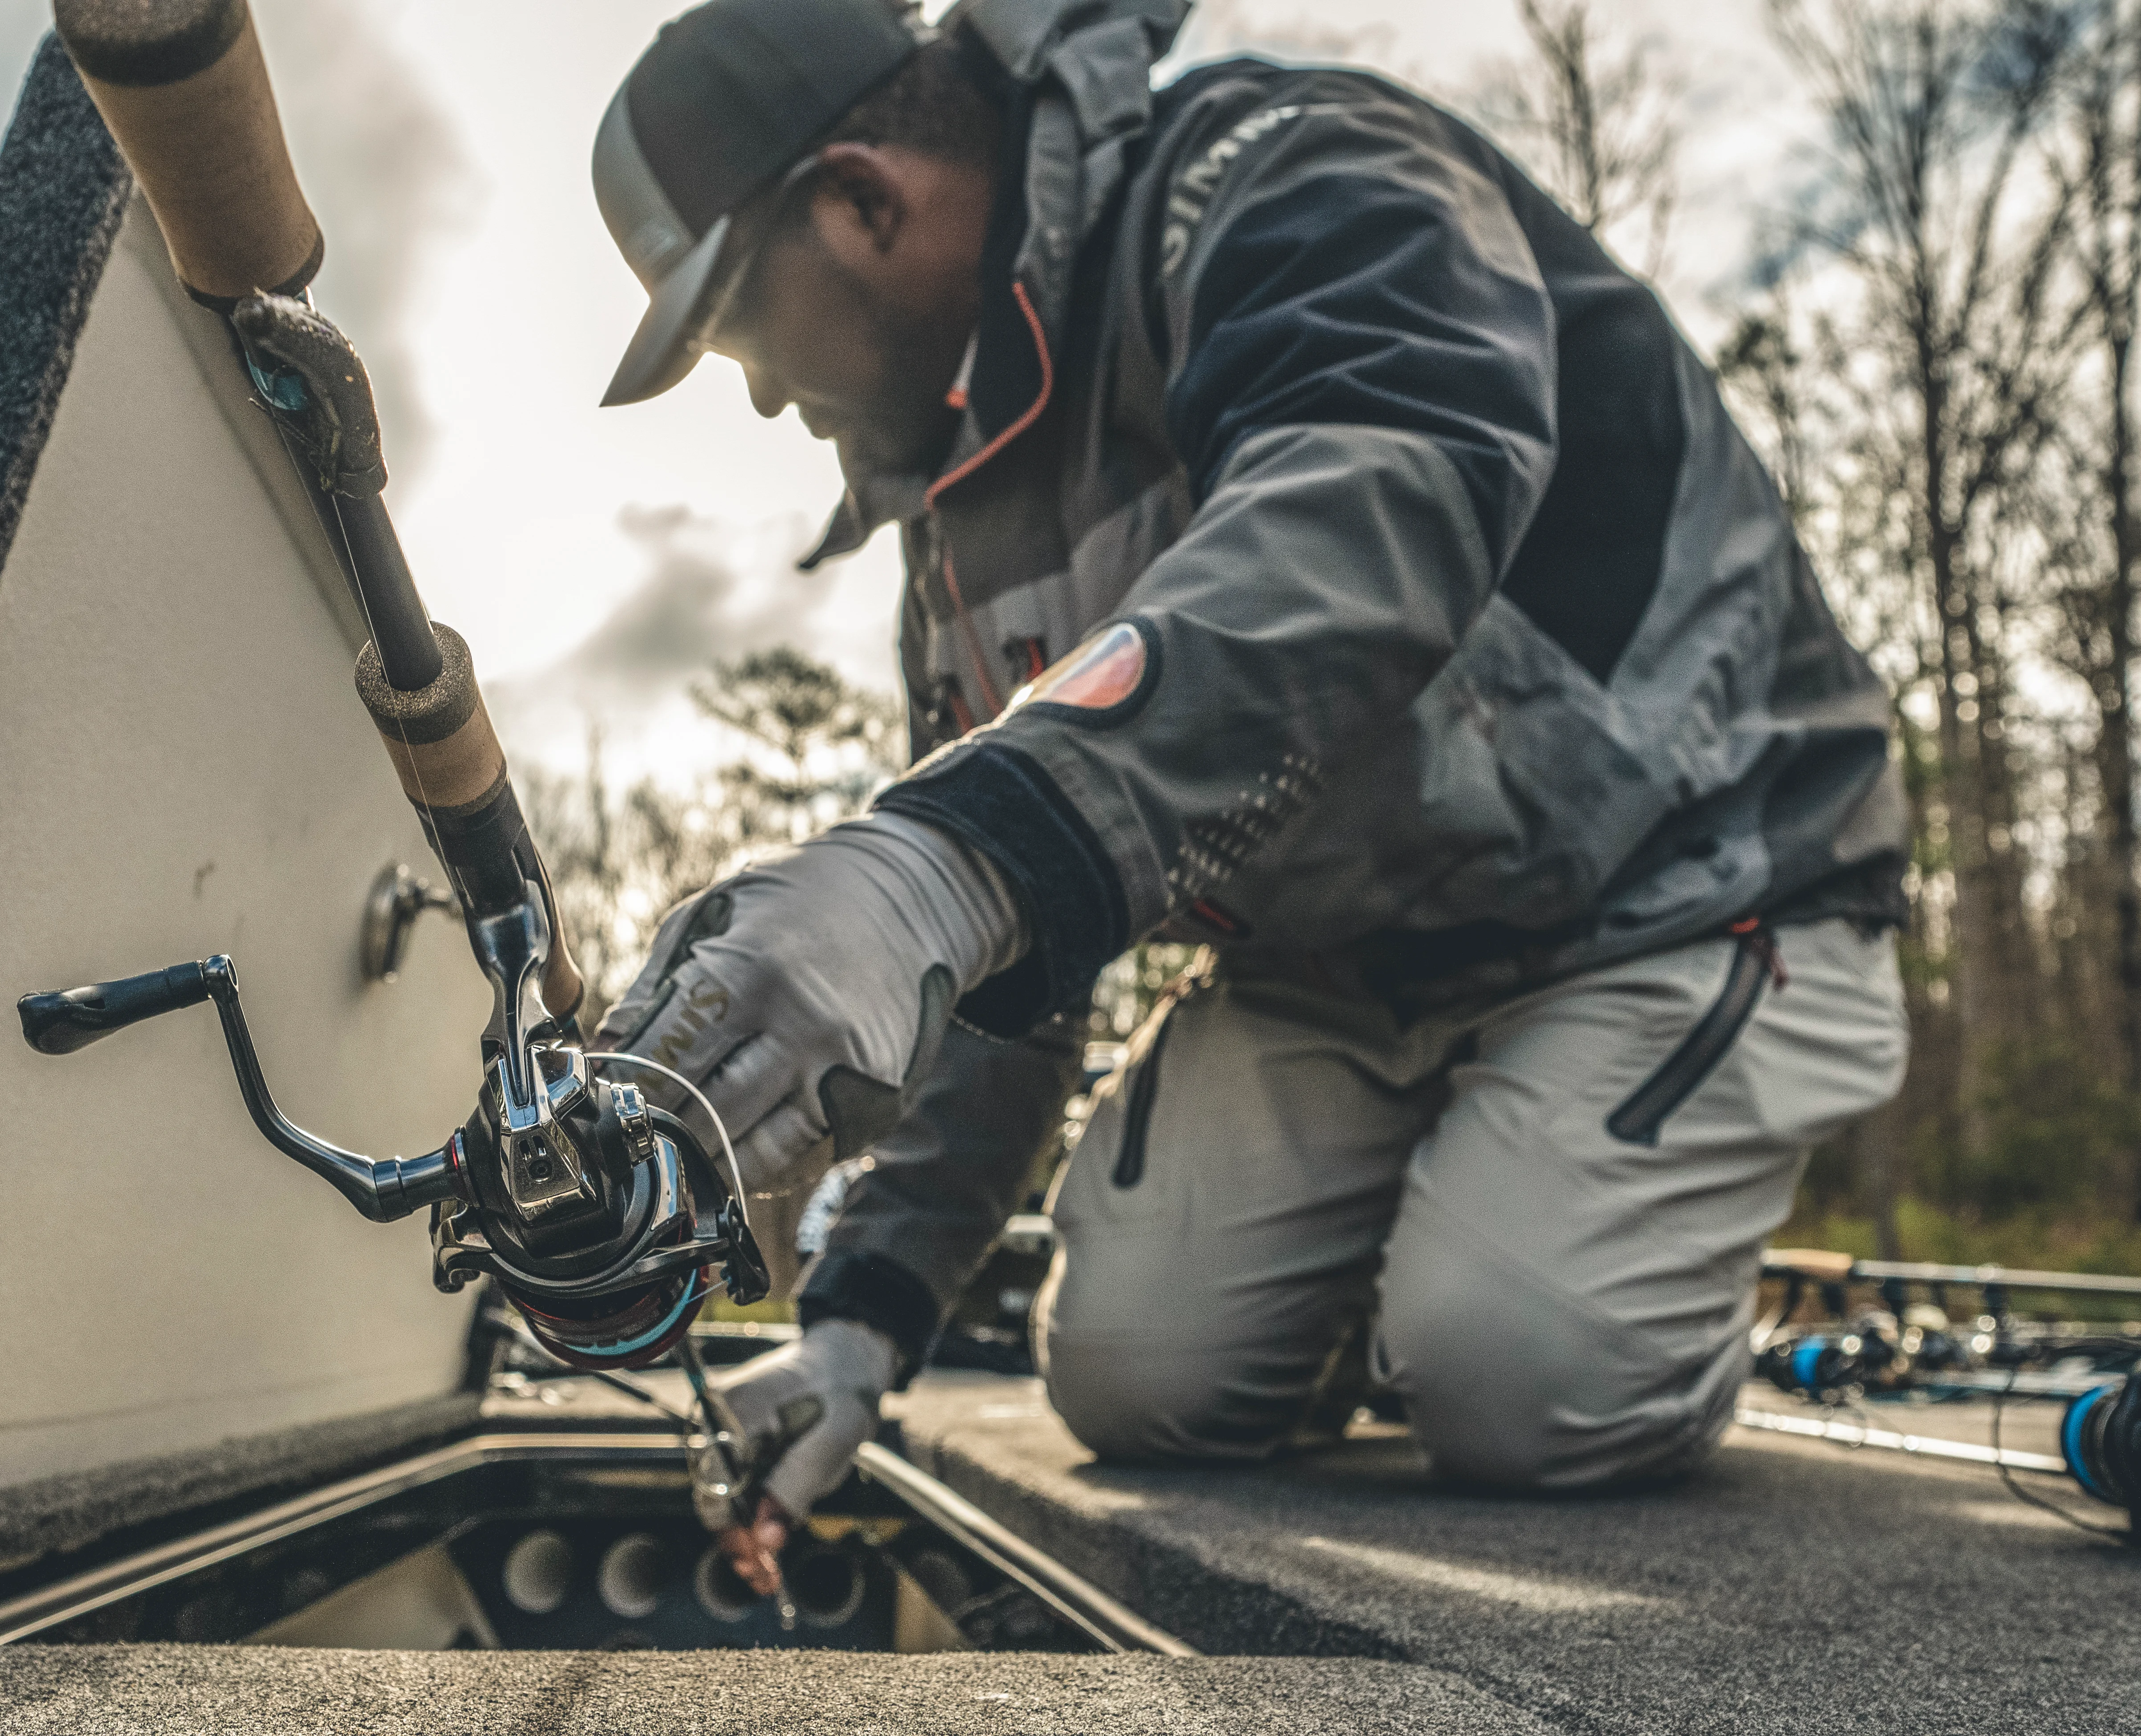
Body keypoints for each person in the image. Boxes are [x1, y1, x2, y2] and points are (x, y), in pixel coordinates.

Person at [589, 0, 1911, 1594]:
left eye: (736, 327)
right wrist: (860, 1315)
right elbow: (1001, 957)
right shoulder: (951, 540)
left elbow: (1373, 508)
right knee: (1133, 1381)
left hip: (1687, 893)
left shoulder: (1286, 173)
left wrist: (951, 860)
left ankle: (1515, 1296)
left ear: (864, 201)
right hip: (1336, 976)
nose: (756, 396)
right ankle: (1424, 1264)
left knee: (1514, 1380)